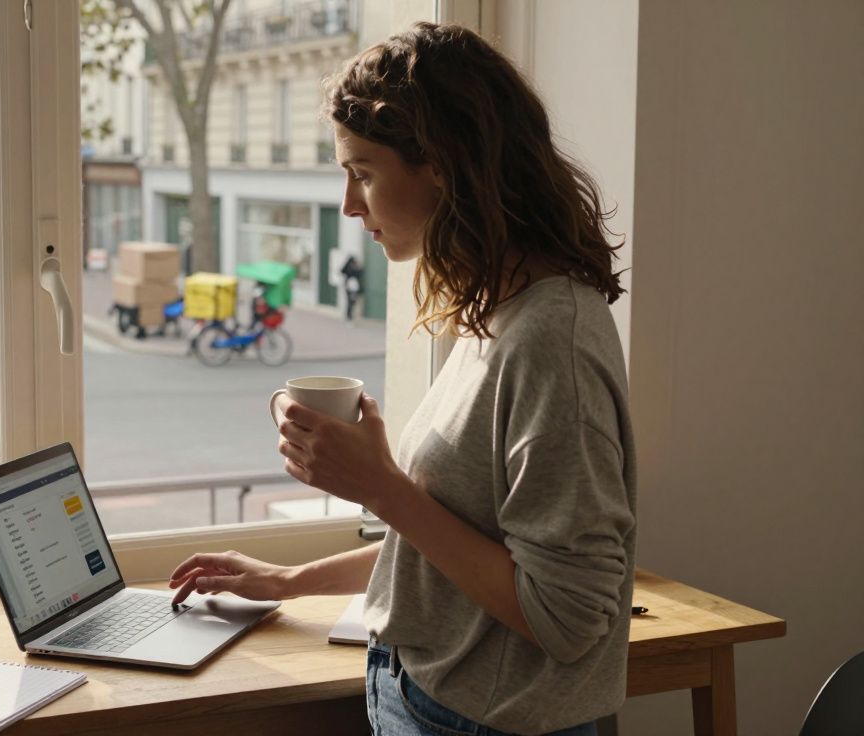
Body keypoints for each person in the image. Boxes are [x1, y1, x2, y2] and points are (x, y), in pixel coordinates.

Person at [168, 22, 633, 736]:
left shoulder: (550, 344)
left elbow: (565, 617)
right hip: (427, 700)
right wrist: (287, 582)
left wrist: (381, 485)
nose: (350, 206)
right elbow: (455, 546)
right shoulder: (497, 314)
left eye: (361, 172)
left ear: (441, 166)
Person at [340, 253, 364, 321]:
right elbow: (342, 271)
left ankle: (350, 315)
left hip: (354, 287)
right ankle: (349, 316)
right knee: (349, 301)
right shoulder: (347, 268)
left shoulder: (356, 268)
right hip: (349, 286)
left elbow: (360, 274)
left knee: (353, 301)